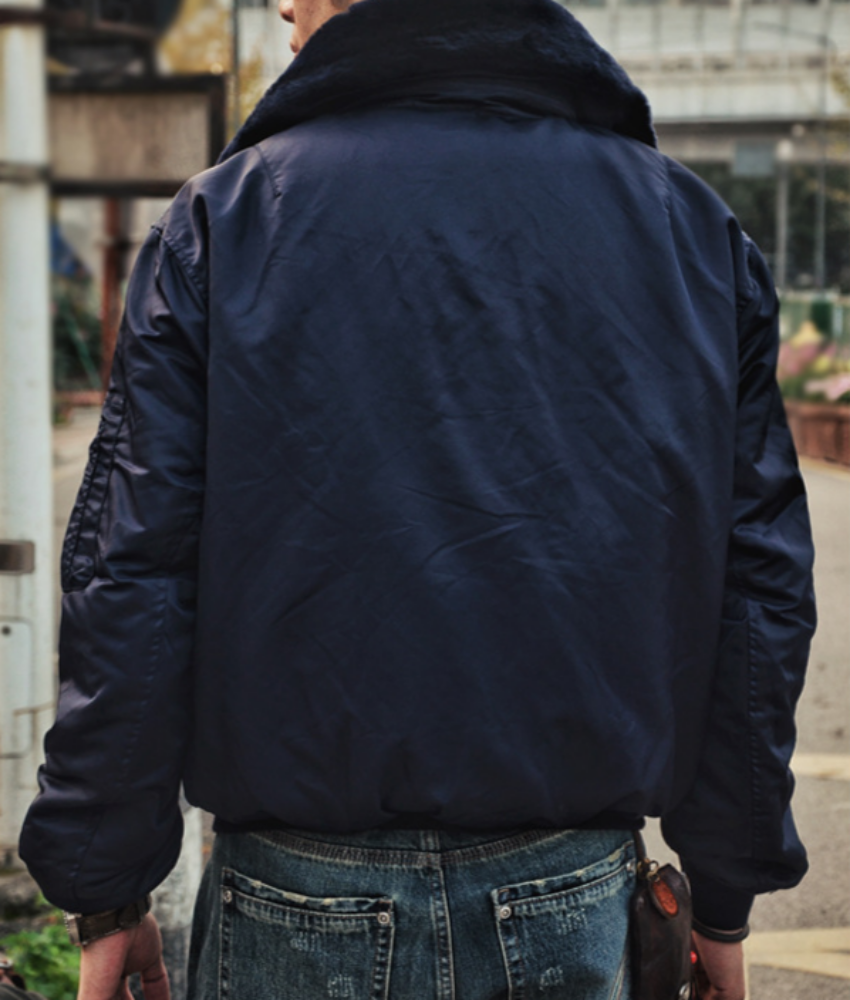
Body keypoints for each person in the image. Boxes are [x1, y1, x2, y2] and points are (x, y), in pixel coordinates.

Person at [19, 0, 816, 997]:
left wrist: (107, 886)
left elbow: (133, 573)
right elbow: (757, 585)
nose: (280, 5)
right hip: (570, 889)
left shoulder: (228, 220)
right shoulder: (687, 230)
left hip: (292, 894)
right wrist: (726, 888)